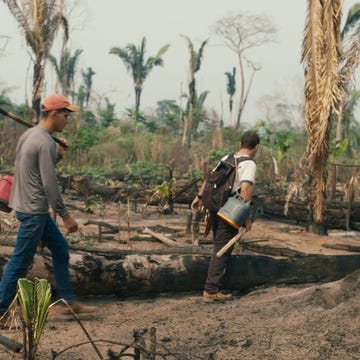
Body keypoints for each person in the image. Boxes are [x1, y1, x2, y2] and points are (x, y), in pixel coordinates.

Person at [0, 94, 95, 323]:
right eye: (66, 115)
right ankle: (1, 311)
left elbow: (35, 169)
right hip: (34, 210)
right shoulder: (43, 141)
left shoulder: (31, 136)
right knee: (20, 261)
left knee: (61, 248)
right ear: (53, 114)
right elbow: (48, 182)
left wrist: (58, 155)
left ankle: (67, 301)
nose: (67, 120)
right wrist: (66, 215)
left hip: (30, 207)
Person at [191, 130, 260, 302]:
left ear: (241, 144)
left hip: (214, 207)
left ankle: (216, 283)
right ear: (256, 147)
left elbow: (209, 180)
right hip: (230, 211)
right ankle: (211, 290)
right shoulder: (249, 164)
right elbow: (245, 189)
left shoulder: (227, 158)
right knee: (221, 250)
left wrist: (199, 198)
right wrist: (246, 217)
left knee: (219, 245)